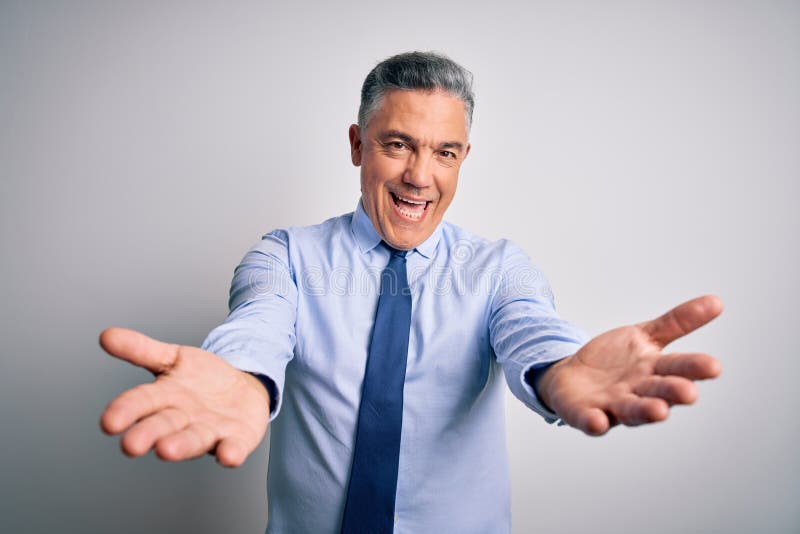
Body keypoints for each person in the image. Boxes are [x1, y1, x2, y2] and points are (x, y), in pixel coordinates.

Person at [99, 52, 723, 533]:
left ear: (462, 159)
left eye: (444, 153)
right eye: (398, 145)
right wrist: (241, 377)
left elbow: (532, 326)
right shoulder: (286, 256)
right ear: (356, 145)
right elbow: (259, 320)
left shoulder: (499, 269)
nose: (419, 177)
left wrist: (561, 369)